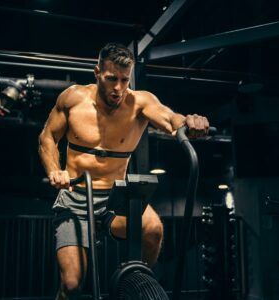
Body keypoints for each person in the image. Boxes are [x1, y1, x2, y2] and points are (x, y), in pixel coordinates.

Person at [38, 43, 209, 299]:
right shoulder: (73, 98)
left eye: (124, 80)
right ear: (97, 73)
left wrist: (189, 122)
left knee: (153, 230)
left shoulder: (140, 102)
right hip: (75, 196)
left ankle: (139, 283)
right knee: (72, 285)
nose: (118, 88)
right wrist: (54, 170)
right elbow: (47, 138)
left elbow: (171, 119)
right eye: (111, 79)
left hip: (115, 200)